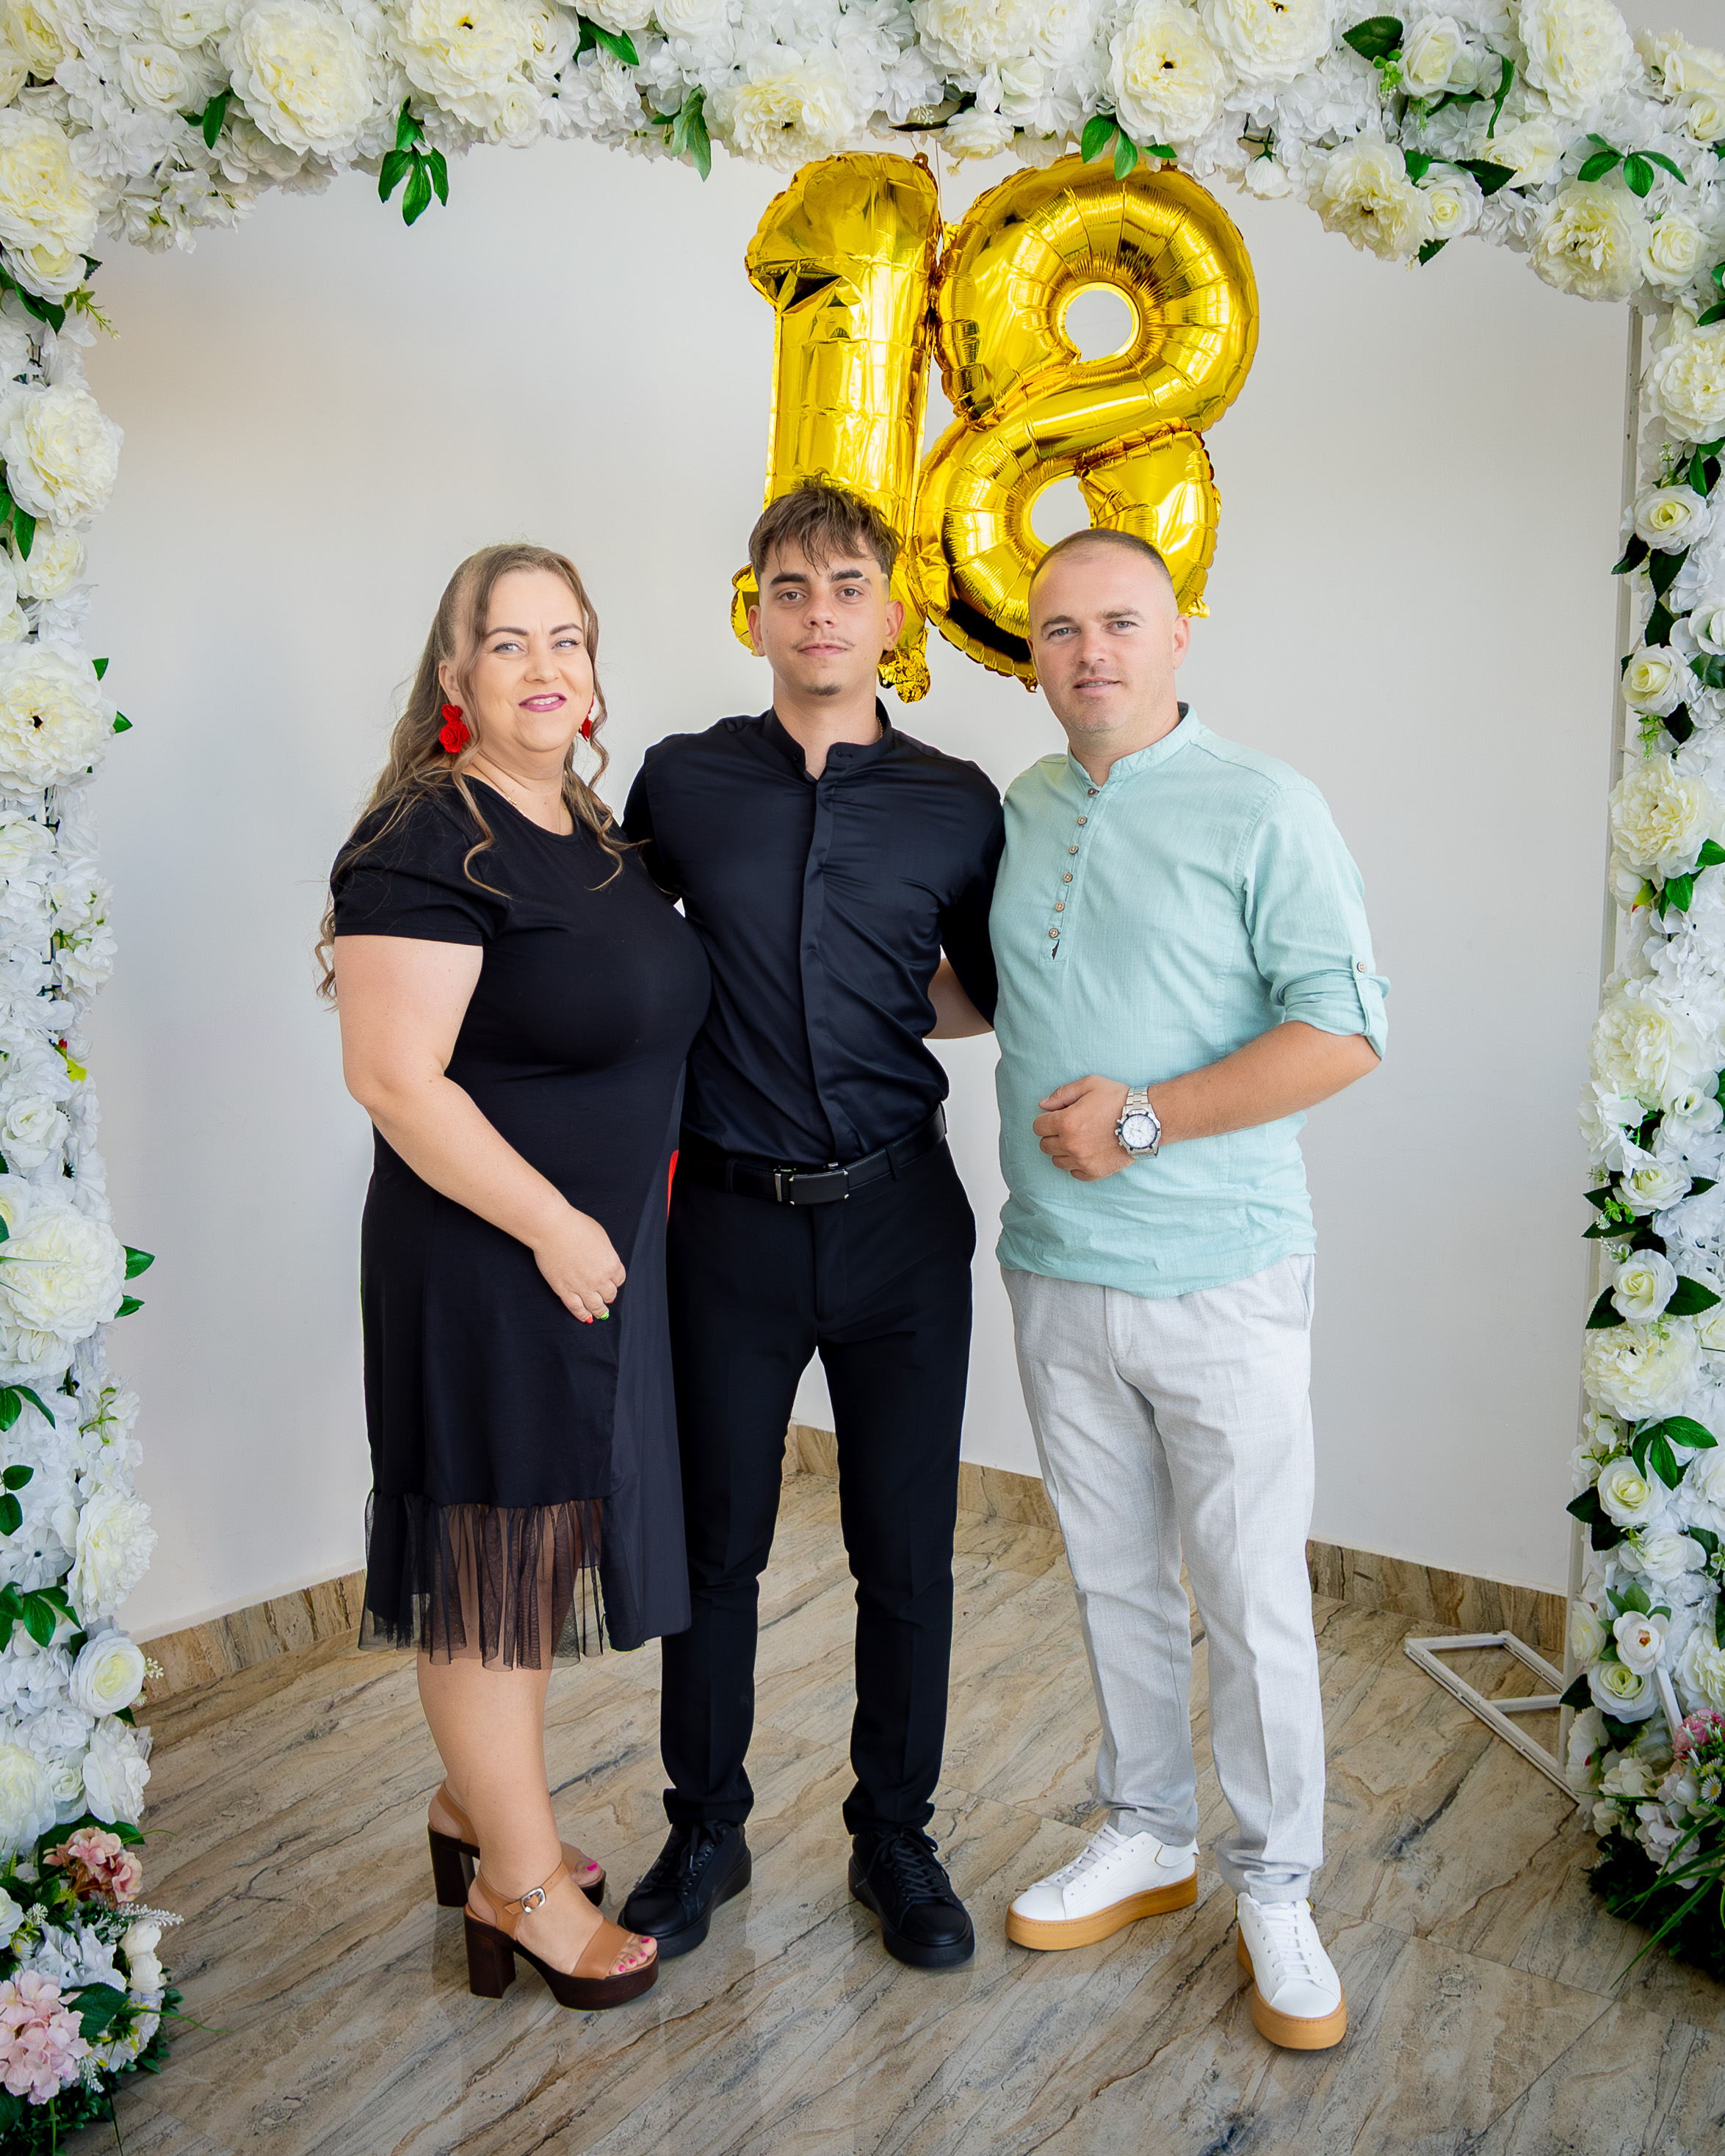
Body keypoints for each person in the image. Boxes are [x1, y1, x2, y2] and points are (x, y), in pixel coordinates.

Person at [993, 529, 1386, 2052]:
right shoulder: (1027, 806)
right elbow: (998, 989)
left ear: (1178, 634)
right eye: (1057, 628)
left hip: (1222, 1274)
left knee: (1248, 1594)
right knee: (1112, 1580)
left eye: (1118, 621)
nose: (1087, 650)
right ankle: (1147, 1830)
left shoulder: (1265, 804)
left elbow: (1342, 1031)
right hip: (1053, 1267)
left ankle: (1275, 1886)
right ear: (1030, 654)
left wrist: (1144, 1117)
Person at [618, 480, 1003, 1971]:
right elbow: (613, 954)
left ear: (889, 613)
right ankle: (704, 1828)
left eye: (845, 586)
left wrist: (857, 998)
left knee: (905, 1551)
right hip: (727, 1227)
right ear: (755, 613)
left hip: (900, 1221)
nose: (819, 612)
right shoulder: (681, 780)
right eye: (790, 588)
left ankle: (892, 1833)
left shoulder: (956, 800)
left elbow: (980, 993)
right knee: (715, 1547)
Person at [322, 543, 711, 2012]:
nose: (545, 668)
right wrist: (550, 1223)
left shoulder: (590, 833)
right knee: (494, 1568)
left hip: (590, 1259)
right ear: (454, 676)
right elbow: (393, 1078)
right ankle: (522, 1885)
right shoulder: (428, 837)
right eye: (507, 643)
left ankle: (471, 1805)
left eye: (568, 639)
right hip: (487, 1257)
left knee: (535, 1553)